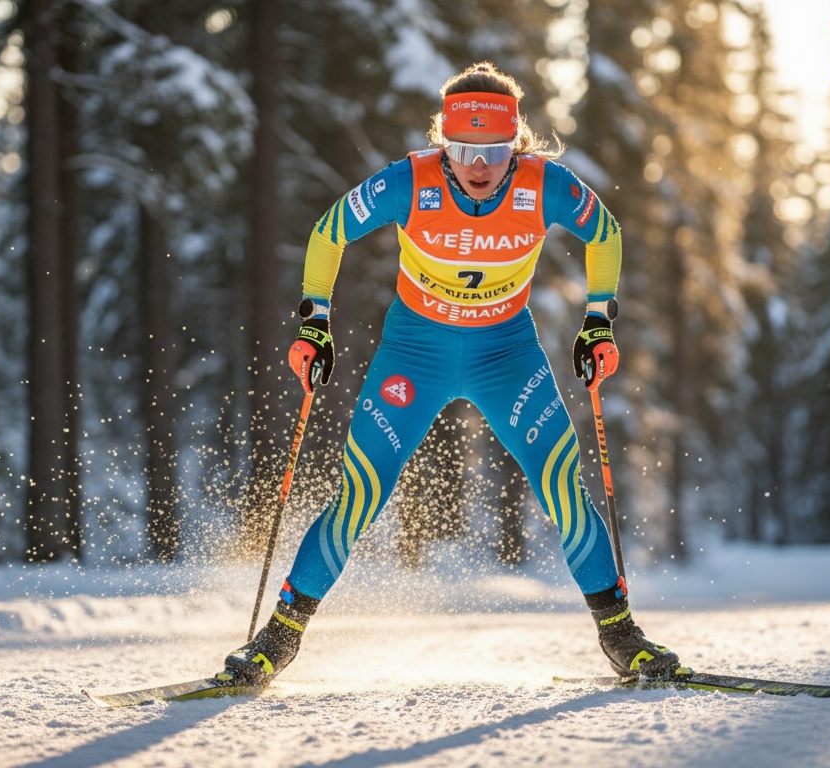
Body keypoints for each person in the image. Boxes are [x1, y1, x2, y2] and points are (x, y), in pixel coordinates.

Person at [221, 62, 679, 686]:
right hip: (415, 354)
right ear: (444, 141)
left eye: (494, 150)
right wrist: (314, 323)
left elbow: (605, 233)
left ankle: (623, 638)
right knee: (359, 494)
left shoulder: (545, 185)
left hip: (506, 355)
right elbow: (329, 233)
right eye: (463, 149)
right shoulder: (410, 181)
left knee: (563, 487)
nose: (478, 165)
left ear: (515, 143)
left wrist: (598, 320)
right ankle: (276, 641)